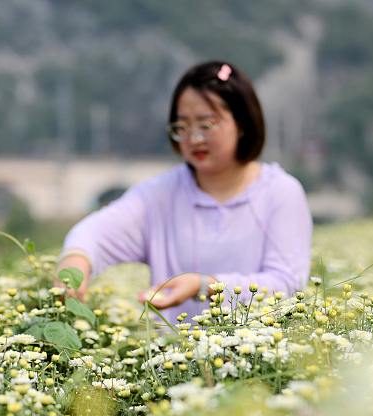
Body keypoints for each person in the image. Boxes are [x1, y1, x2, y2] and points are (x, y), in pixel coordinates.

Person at [56, 60, 313, 323]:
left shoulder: (279, 192)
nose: (193, 139)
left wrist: (207, 286)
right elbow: (95, 233)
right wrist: (76, 262)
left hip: (263, 358)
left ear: (243, 123)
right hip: (174, 359)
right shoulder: (160, 196)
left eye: (206, 125)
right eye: (182, 127)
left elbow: (288, 284)